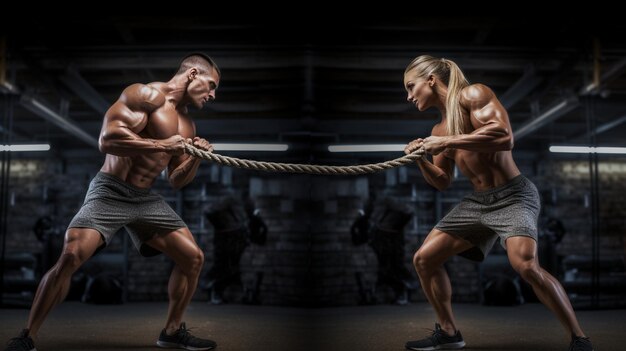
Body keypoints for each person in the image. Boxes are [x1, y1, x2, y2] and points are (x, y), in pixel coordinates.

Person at [5, 53, 220, 351]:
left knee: (193, 258)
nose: (212, 95)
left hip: (144, 199)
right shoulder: (145, 95)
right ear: (194, 74)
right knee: (71, 255)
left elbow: (176, 180)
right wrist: (160, 144)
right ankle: (27, 335)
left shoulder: (187, 126)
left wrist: (195, 158)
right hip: (110, 190)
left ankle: (171, 331)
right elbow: (107, 140)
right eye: (211, 85)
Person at [402, 55, 593, 351]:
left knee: (526, 266)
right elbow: (442, 181)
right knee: (424, 259)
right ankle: (450, 333)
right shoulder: (438, 131)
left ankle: (579, 337)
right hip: (478, 202)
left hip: (514, 195)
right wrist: (421, 161)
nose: (409, 95)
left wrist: (449, 142)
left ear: (430, 80)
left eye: (411, 86)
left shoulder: (473, 94)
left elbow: (504, 136)